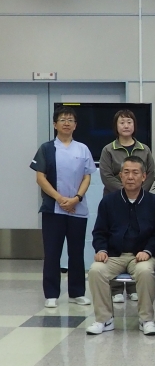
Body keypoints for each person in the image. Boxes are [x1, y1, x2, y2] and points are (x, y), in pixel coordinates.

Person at [86, 156, 155, 336]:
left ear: (143, 177)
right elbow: (99, 232)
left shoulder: (154, 202)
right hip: (114, 255)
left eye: (135, 173)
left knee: (145, 271)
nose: (130, 177)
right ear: (120, 176)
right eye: (126, 172)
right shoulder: (108, 201)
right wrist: (101, 250)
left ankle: (146, 320)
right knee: (96, 270)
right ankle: (104, 319)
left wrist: (148, 251)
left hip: (143, 256)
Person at [29, 105, 96, 308]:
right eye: (62, 120)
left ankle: (77, 292)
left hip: (77, 208)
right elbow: (40, 178)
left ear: (75, 125)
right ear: (54, 124)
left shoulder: (82, 148)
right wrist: (60, 199)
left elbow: (87, 177)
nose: (66, 123)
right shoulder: (46, 148)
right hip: (53, 209)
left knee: (76, 252)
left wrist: (76, 198)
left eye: (70, 120)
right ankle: (51, 294)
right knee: (52, 252)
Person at [99, 109, 155, 303]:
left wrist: (138, 192)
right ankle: (115, 289)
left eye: (129, 122)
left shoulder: (144, 149)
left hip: (140, 200)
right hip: (116, 201)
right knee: (115, 241)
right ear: (116, 126)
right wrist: (125, 192)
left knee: (137, 240)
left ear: (134, 125)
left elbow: (150, 173)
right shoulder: (108, 149)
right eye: (122, 122)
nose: (126, 125)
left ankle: (132, 287)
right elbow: (106, 175)